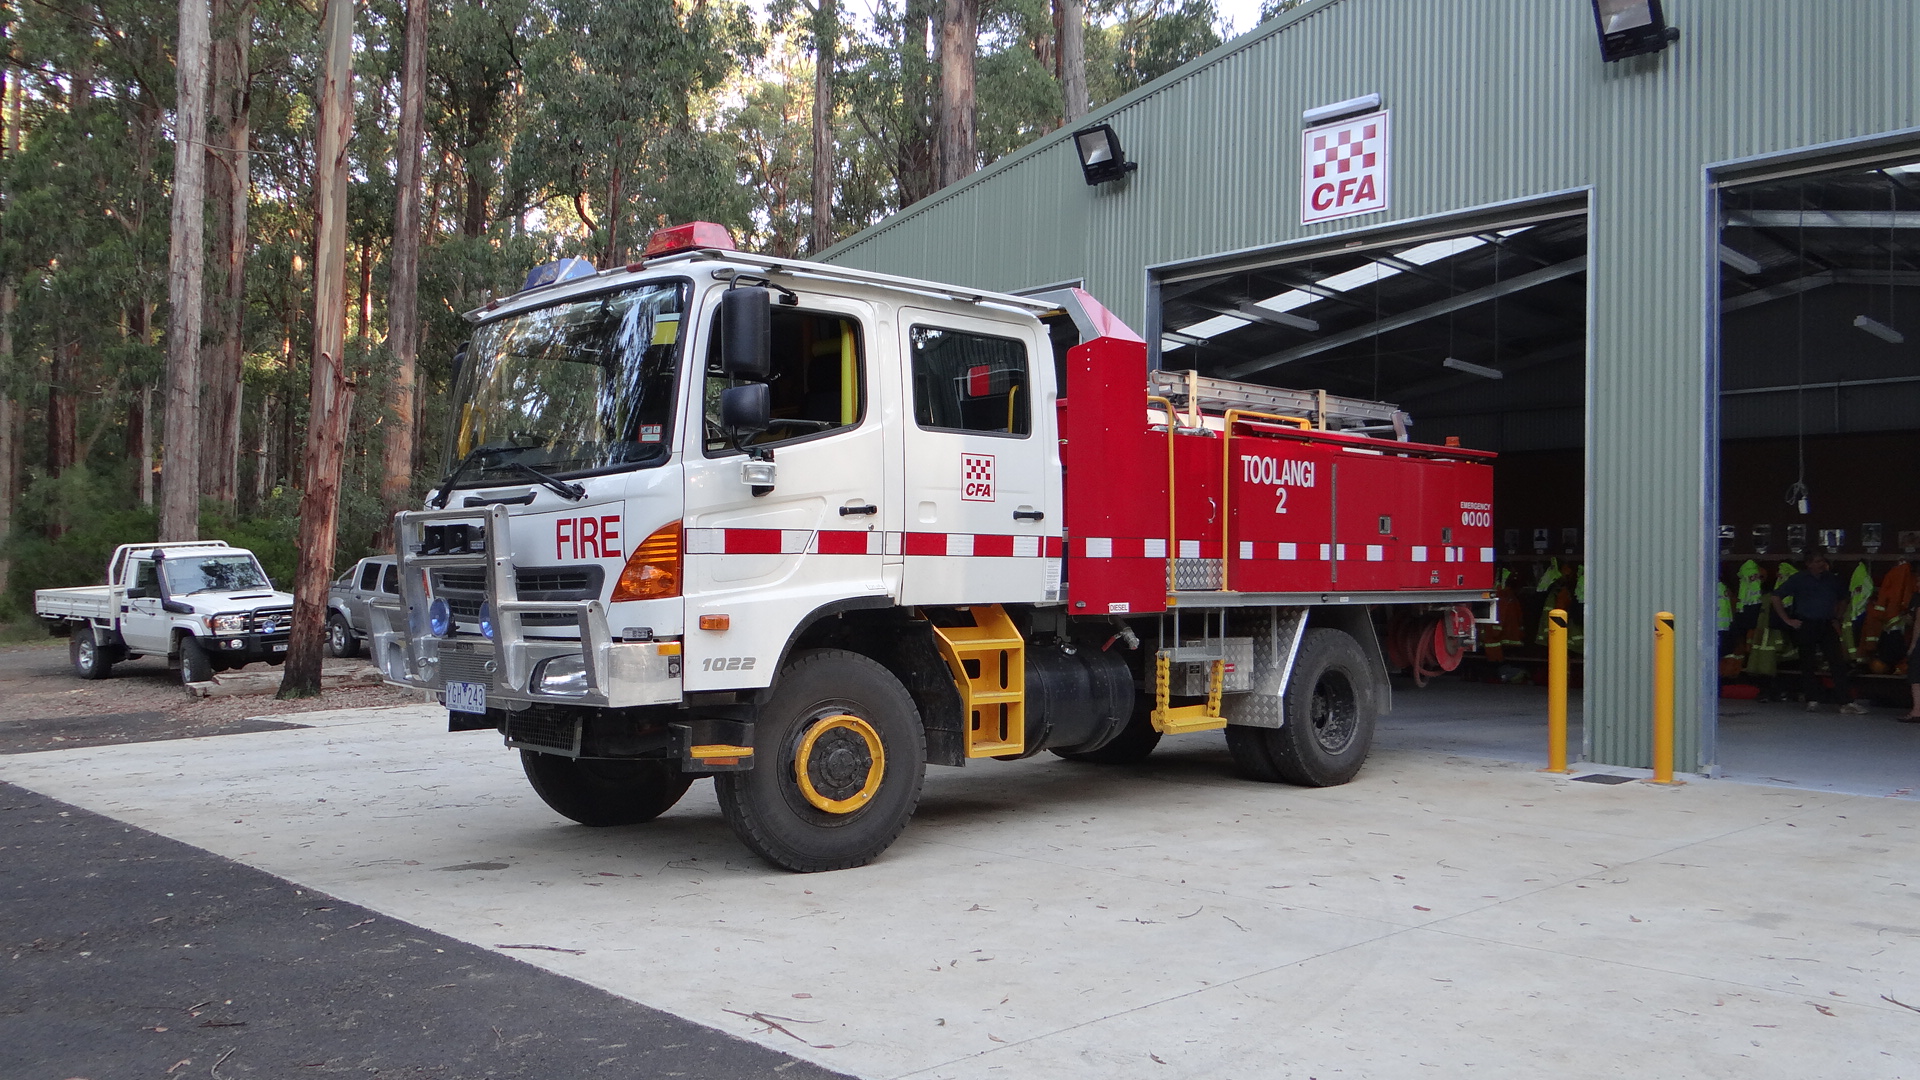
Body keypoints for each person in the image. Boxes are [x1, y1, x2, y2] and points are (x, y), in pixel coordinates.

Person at [1769, 552, 1869, 714]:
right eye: (1817, 561)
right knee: (1807, 664)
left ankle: (1845, 702)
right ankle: (1812, 699)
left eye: (1822, 561)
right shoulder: (1798, 579)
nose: (1821, 564)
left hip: (1827, 623)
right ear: (1808, 564)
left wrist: (1838, 616)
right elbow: (1775, 597)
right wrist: (1788, 620)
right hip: (1806, 623)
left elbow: (1844, 598)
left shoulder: (1832, 579)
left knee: (1837, 662)